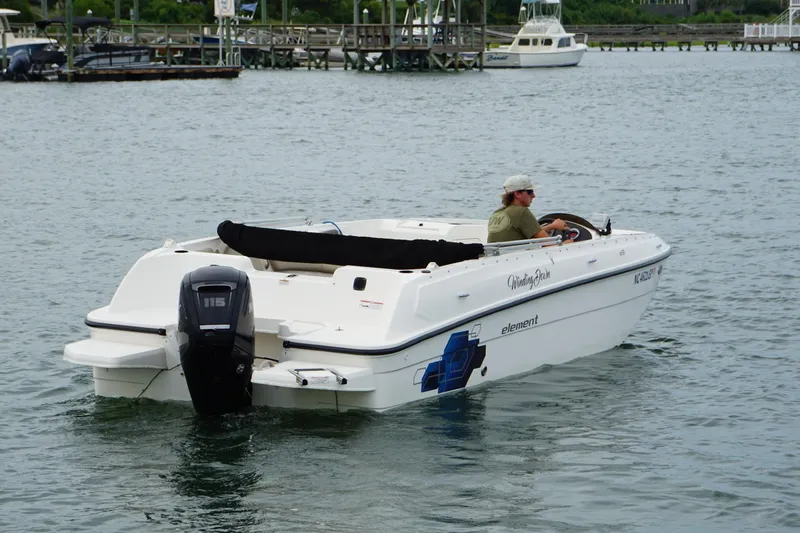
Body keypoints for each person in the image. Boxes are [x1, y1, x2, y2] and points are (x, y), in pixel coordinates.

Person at [487, 174, 571, 244]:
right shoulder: (521, 212)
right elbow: (549, 246)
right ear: (517, 194)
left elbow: (523, 234)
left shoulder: (497, 213)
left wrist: (551, 226)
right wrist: (567, 244)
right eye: (530, 192)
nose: (534, 195)